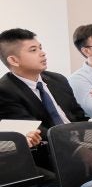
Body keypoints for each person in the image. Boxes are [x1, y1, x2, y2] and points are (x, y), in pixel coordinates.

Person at [0, 28, 87, 174]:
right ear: (14, 60)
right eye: (33, 50)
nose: (42, 53)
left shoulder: (58, 79)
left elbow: (79, 116)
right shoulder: (5, 91)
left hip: (82, 142)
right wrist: (80, 150)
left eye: (40, 48)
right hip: (51, 154)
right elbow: (38, 131)